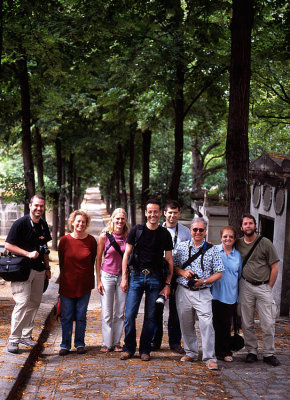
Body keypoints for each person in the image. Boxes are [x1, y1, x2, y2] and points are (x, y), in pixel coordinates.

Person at [120, 199, 173, 361]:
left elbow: (169, 260)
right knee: (129, 315)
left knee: (150, 316)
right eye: (150, 211)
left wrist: (167, 284)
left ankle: (145, 350)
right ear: (145, 213)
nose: (153, 215)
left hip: (155, 277)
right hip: (136, 276)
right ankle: (128, 348)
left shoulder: (164, 234)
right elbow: (126, 255)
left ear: (160, 213)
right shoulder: (136, 230)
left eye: (156, 211)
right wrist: (124, 278)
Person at [173, 217, 224, 370]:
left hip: (203, 291)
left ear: (205, 231)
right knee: (186, 323)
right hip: (184, 291)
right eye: (195, 229)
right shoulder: (181, 247)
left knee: (207, 324)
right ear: (190, 230)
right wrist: (183, 272)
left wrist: (205, 281)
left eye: (201, 230)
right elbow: (172, 267)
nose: (198, 232)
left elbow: (219, 272)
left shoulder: (212, 249)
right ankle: (191, 352)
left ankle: (209, 357)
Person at [5, 194, 52, 354]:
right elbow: (8, 245)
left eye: (42, 206)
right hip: (21, 270)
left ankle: (26, 335)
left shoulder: (43, 225)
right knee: (22, 303)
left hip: (39, 270)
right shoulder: (20, 223)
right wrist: (28, 253)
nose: (39, 208)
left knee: (34, 302)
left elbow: (44, 247)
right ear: (30, 205)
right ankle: (13, 340)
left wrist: (47, 268)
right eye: (36, 205)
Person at [236, 214, 280, 366]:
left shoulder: (265, 243)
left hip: (263, 286)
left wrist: (269, 286)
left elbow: (275, 267)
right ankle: (252, 351)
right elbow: (224, 248)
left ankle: (269, 353)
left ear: (255, 226)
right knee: (247, 322)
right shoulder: (238, 244)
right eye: (245, 224)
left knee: (267, 323)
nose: (248, 226)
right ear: (241, 228)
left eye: (250, 223)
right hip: (246, 285)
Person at [151, 200, 191, 354]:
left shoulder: (186, 232)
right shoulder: (157, 229)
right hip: (159, 273)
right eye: (170, 212)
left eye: (175, 213)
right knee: (156, 308)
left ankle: (175, 342)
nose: (172, 216)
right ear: (164, 213)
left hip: (177, 274)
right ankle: (155, 341)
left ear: (179, 214)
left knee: (175, 310)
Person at [58, 210, 97, 356]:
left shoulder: (91, 241)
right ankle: (65, 345)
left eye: (83, 222)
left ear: (86, 224)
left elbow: (92, 260)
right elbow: (62, 262)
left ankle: (80, 343)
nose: (80, 224)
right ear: (72, 222)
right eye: (78, 221)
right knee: (67, 316)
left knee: (81, 315)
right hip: (67, 284)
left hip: (84, 284)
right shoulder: (64, 240)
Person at [96, 208, 129, 352]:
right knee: (107, 312)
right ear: (112, 219)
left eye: (122, 218)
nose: (120, 221)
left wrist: (126, 278)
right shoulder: (105, 236)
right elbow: (98, 259)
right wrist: (98, 280)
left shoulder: (129, 236)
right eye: (117, 218)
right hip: (107, 275)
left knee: (120, 312)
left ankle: (116, 342)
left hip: (122, 276)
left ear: (125, 220)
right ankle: (106, 343)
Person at [211, 225, 242, 362]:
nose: (227, 239)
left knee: (226, 325)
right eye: (225, 236)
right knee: (214, 324)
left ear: (234, 239)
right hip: (215, 294)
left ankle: (225, 351)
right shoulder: (214, 251)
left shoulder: (238, 255)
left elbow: (239, 275)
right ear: (221, 237)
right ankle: (214, 351)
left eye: (230, 236)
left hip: (230, 295)